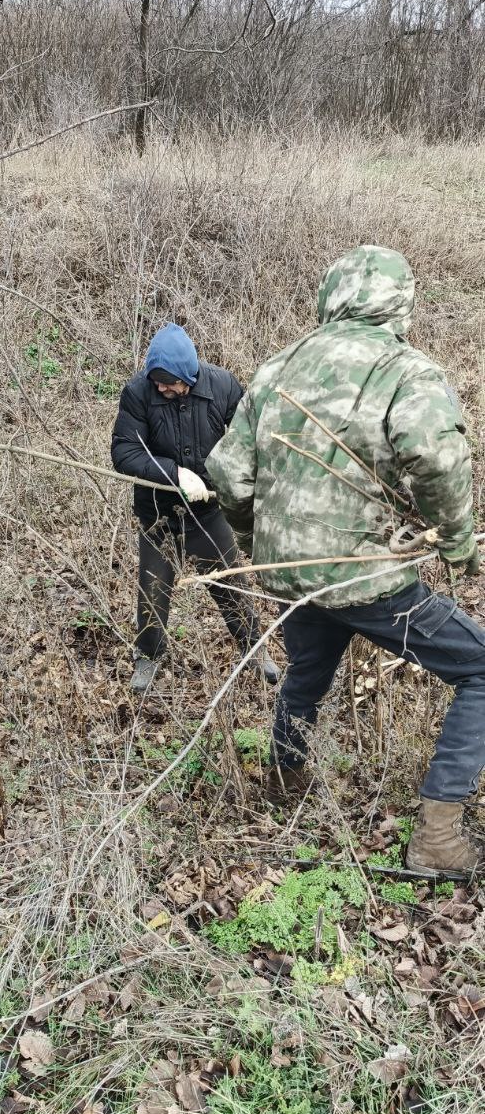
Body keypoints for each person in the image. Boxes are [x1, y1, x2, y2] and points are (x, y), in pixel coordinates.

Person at [206, 245, 484, 878]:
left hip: (287, 575)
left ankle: (283, 779)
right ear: (400, 304)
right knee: (480, 669)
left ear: (330, 295)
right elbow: (438, 458)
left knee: (308, 667)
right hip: (364, 575)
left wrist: (260, 541)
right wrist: (456, 540)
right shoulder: (405, 369)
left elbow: (227, 472)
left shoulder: (280, 366)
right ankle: (438, 837)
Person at [111, 322, 279, 692]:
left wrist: (236, 480)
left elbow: (248, 437)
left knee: (231, 582)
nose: (162, 388)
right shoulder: (138, 393)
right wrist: (174, 473)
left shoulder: (222, 386)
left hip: (207, 512)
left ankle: (254, 650)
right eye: (157, 382)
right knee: (153, 588)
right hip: (158, 513)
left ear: (189, 376)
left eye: (169, 383)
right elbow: (124, 451)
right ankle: (148, 656)